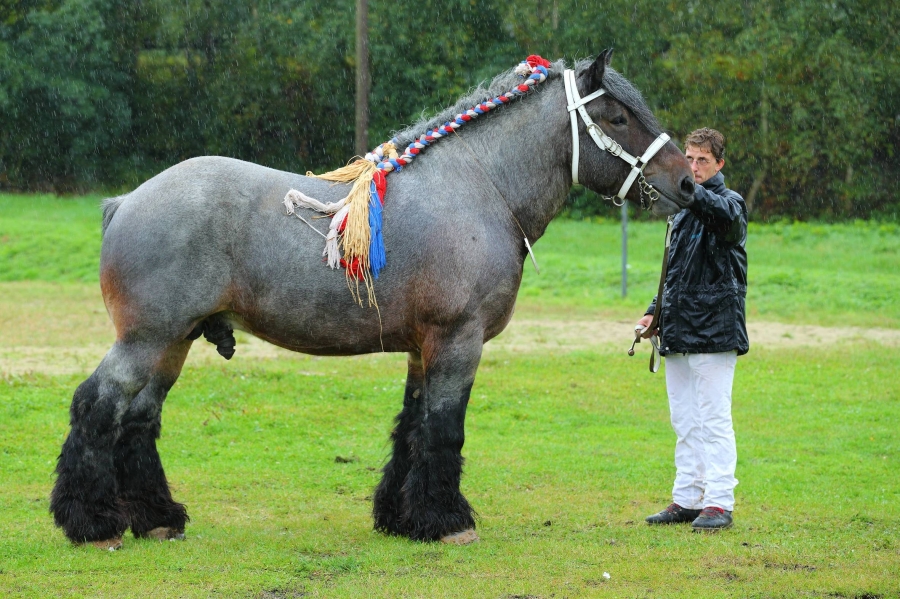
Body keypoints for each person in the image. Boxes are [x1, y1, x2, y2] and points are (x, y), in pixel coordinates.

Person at [638, 127, 748, 531]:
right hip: (679, 328)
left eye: (702, 160)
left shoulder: (730, 204)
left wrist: (687, 188)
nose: (695, 166)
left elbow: (726, 221)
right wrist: (654, 312)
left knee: (713, 420)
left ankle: (719, 501)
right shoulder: (682, 208)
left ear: (719, 163)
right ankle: (687, 498)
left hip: (715, 329)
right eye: (689, 158)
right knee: (683, 420)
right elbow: (676, 271)